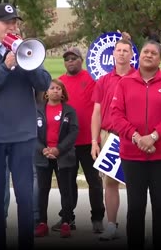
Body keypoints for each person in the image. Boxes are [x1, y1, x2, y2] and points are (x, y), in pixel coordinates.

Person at [0, 3, 51, 250]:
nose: (12, 26)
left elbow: (44, 83)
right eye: (6, 22)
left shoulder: (27, 50)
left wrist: (28, 62)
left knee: (25, 195)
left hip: (23, 135)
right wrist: (5, 67)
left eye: (14, 21)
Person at [110, 39, 161, 249]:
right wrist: (136, 137)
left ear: (160, 59)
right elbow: (116, 115)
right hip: (132, 155)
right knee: (135, 207)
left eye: (154, 53)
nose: (149, 55)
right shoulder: (124, 83)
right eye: (145, 51)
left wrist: (153, 137)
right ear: (139, 55)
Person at [91, 37, 136, 241]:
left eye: (126, 50)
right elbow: (97, 113)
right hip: (109, 135)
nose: (122, 53)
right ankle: (111, 224)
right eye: (119, 50)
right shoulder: (104, 81)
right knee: (110, 182)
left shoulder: (139, 78)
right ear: (113, 53)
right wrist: (94, 141)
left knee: (138, 182)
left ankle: (137, 224)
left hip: (133, 135)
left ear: (132, 54)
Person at [57, 47, 105, 233]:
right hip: (67, 142)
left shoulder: (93, 79)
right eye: (67, 59)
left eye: (74, 58)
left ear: (81, 60)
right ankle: (67, 218)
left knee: (94, 181)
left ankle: (98, 218)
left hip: (89, 140)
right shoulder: (59, 82)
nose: (70, 61)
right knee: (67, 182)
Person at [34, 79, 79, 238]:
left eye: (58, 88)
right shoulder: (37, 110)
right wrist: (43, 150)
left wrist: (58, 149)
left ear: (63, 92)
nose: (55, 91)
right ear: (46, 93)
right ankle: (42, 223)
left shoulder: (69, 111)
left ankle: (66, 222)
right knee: (42, 190)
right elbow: (32, 134)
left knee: (65, 191)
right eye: (52, 88)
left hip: (64, 157)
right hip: (43, 157)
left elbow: (73, 133)